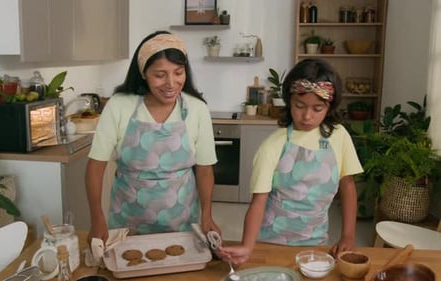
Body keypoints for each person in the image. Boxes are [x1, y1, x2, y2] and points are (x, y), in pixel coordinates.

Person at [220, 58, 363, 264]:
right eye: (299, 105)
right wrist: (248, 246)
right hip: (271, 241)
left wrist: (348, 236)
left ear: (329, 106)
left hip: (316, 241)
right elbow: (258, 202)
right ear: (289, 101)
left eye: (317, 108)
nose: (307, 116)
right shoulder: (273, 145)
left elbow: (347, 185)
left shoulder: (339, 136)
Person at [85, 31, 221, 243]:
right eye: (159, 75)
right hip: (127, 220)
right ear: (143, 73)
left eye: (178, 72)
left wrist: (207, 214)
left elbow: (204, 169)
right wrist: (96, 218)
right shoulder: (120, 105)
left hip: (182, 220)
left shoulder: (197, 109)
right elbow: (96, 165)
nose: (171, 83)